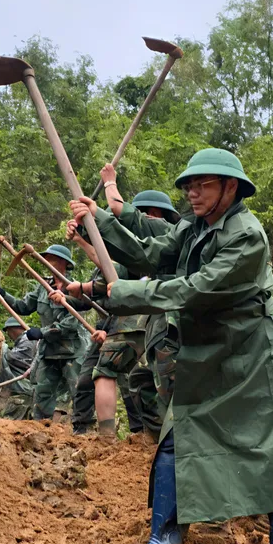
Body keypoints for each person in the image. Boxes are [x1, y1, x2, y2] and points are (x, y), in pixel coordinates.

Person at [67, 148, 273, 544]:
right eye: (189, 186)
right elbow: (149, 252)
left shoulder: (247, 237)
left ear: (230, 188)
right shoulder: (196, 226)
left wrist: (119, 293)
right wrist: (98, 219)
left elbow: (193, 289)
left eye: (203, 185)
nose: (193, 193)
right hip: (207, 347)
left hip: (253, 351)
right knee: (178, 432)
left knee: (270, 445)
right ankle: (165, 535)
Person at [99, 165, 182, 438]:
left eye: (144, 212)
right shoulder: (154, 242)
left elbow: (119, 212)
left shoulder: (164, 229)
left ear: (155, 214)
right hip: (155, 324)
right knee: (143, 380)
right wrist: (85, 233)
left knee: (171, 389)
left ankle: (173, 442)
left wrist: (110, 182)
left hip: (172, 322)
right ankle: (158, 438)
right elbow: (113, 263)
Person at [59, 220, 149, 439]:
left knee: (110, 373)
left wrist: (81, 287)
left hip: (133, 324)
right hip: (127, 325)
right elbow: (101, 275)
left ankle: (111, 437)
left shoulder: (137, 255)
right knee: (137, 377)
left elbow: (107, 266)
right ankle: (146, 435)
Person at [0, 245, 90, 420]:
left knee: (78, 392)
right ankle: (41, 428)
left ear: (64, 263)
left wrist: (42, 332)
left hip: (72, 352)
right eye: (46, 258)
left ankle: (84, 429)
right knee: (42, 392)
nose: (47, 262)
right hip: (49, 352)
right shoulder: (43, 287)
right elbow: (24, 307)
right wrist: (2, 294)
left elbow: (71, 323)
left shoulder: (74, 288)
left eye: (51, 259)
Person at [0, 316, 38, 419]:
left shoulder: (27, 339)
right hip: (20, 389)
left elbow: (16, 359)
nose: (8, 335)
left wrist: (2, 346)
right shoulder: (23, 340)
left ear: (13, 329)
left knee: (11, 421)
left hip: (22, 388)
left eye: (8, 331)